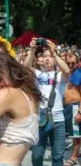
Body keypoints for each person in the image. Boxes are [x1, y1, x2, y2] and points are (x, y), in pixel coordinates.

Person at [24, 38, 70, 166]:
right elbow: (25, 67)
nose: (48, 59)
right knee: (37, 155)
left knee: (58, 156)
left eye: (50, 57)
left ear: (55, 59)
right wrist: (32, 50)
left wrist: (54, 52)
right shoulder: (37, 74)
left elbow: (67, 71)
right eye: (45, 56)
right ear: (41, 60)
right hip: (40, 120)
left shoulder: (60, 76)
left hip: (58, 121)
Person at [63, 52, 81, 166]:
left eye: (72, 63)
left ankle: (74, 157)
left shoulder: (79, 74)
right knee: (70, 133)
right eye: (67, 62)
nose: (70, 65)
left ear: (78, 62)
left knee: (76, 134)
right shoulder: (64, 73)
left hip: (75, 106)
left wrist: (80, 111)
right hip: (65, 107)